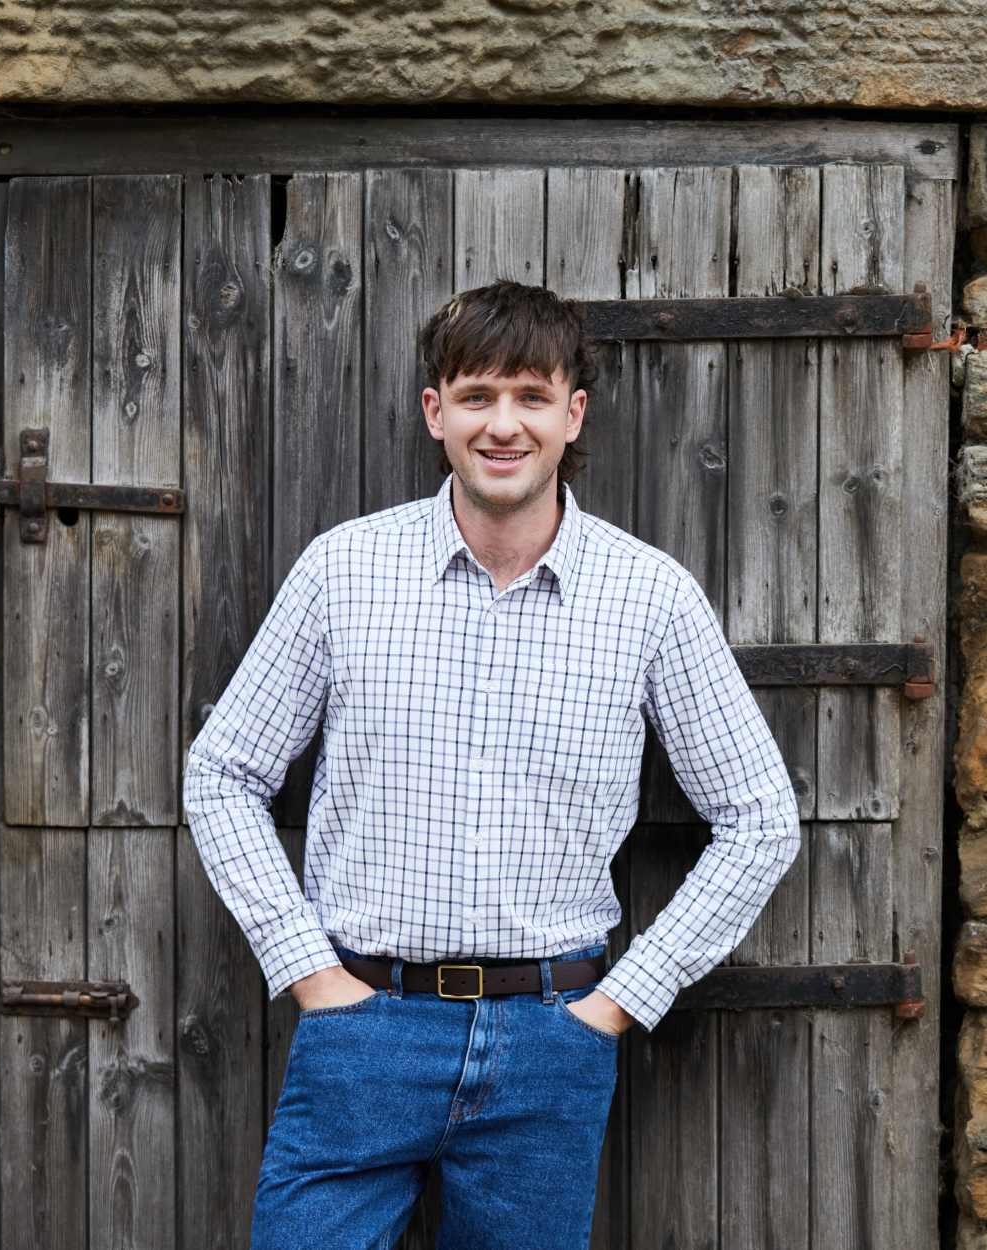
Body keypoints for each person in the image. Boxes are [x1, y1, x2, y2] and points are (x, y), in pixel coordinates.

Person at [182, 279, 802, 1250]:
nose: (501, 423)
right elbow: (222, 771)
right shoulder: (345, 571)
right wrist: (309, 973)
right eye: (476, 395)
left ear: (571, 412)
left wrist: (618, 1001)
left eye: (528, 394)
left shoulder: (648, 598)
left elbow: (761, 815)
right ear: (436, 411)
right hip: (362, 1027)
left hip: (553, 1038)